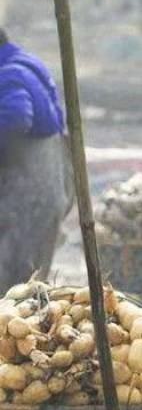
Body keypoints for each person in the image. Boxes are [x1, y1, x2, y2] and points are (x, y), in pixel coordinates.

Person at [0, 29, 73, 293]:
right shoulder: (25, 63)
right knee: (24, 285)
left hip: (25, 199)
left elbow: (17, 117)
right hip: (44, 193)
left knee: (13, 286)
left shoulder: (10, 75)